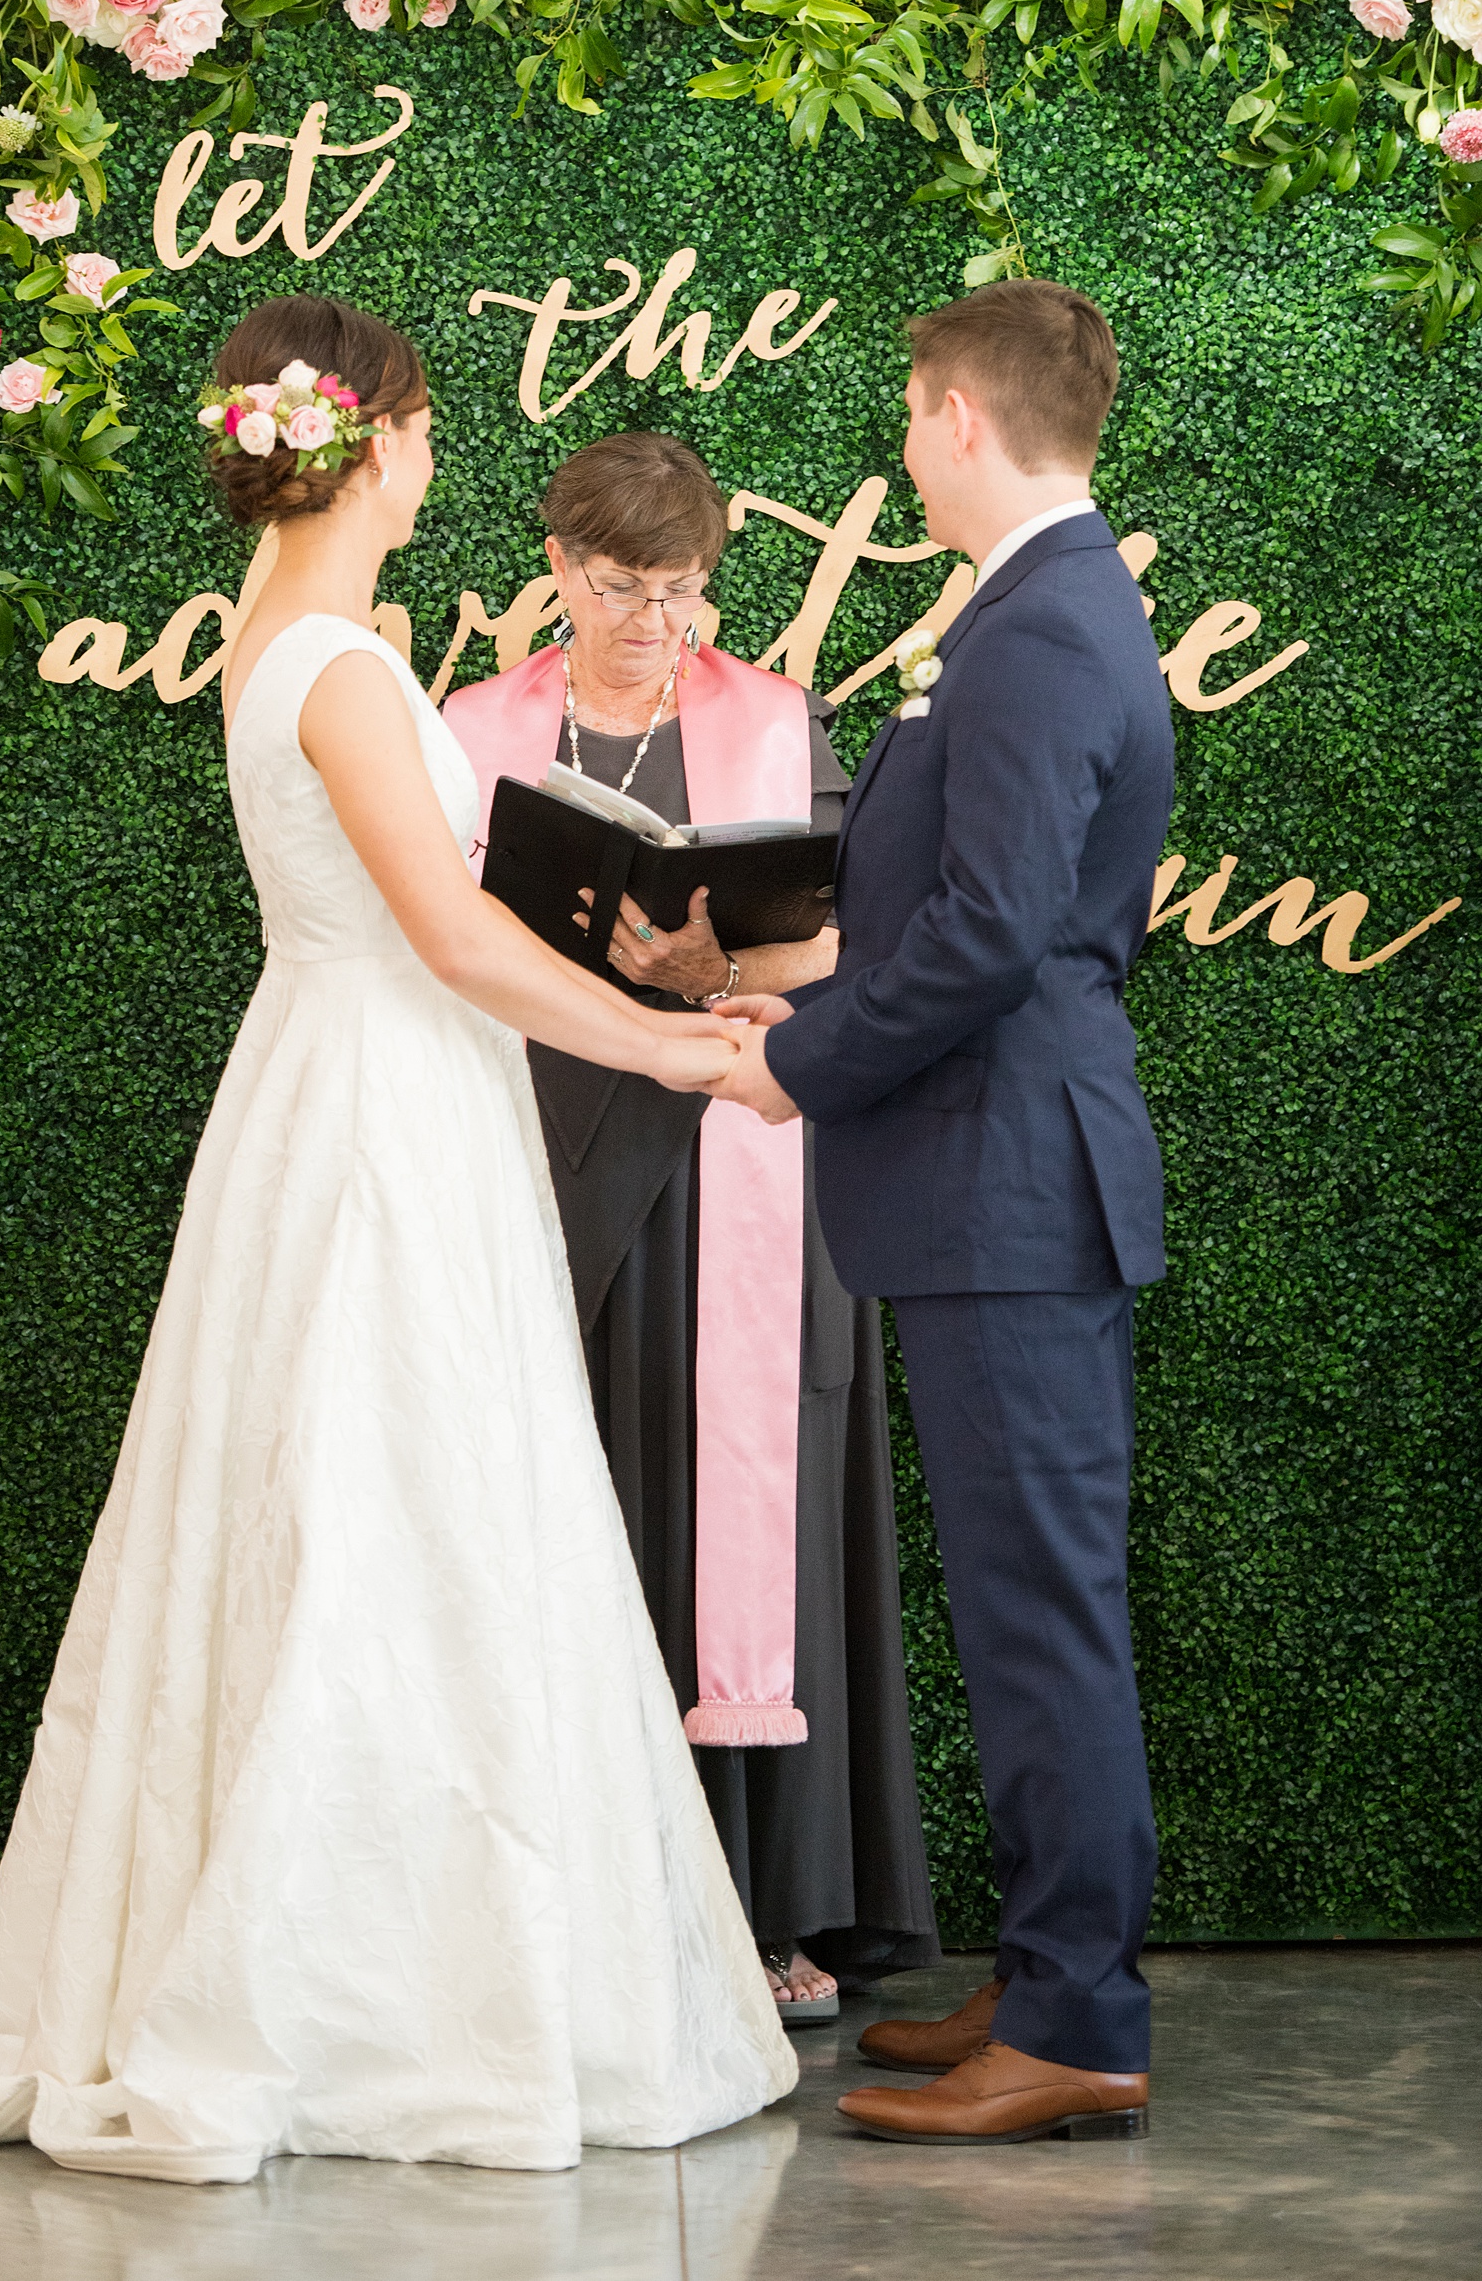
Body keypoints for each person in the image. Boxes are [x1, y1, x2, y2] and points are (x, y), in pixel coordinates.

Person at [0, 298, 795, 2179]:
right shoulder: (336, 662)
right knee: (390, 1503)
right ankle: (373, 1990)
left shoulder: (295, 637)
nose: (433, 464)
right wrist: (685, 1049)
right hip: (379, 1114)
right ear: (380, 438)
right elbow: (458, 940)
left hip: (338, 1087)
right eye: (421, 432)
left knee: (365, 1503)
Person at [709, 279, 1173, 2145]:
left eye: (912, 413)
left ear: (964, 419)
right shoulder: (1037, 608)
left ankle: (1077, 2021)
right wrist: (806, 1006)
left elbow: (993, 935)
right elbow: (973, 924)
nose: (904, 445)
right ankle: (1050, 1972)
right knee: (1019, 1608)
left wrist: (795, 1067)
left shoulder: (1045, 624)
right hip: (992, 1184)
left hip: (1013, 1191)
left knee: (1045, 1614)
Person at [445, 432, 940, 2022]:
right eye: (621, 587)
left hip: (738, 1147)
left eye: (683, 588)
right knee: (564, 1508)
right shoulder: (476, 731)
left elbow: (853, 947)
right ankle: (561, 1911)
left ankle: (762, 1910)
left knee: (746, 1521)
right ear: (558, 568)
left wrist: (712, 971)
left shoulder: (776, 722)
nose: (659, 620)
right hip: (546, 1152)